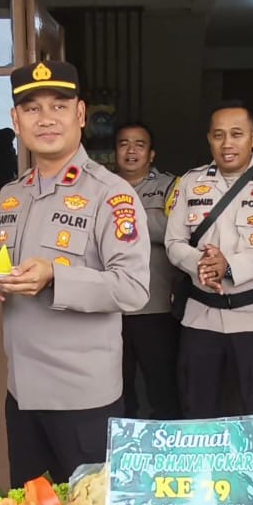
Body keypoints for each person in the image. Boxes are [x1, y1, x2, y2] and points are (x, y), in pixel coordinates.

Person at [0, 60, 150, 485]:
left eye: (59, 105)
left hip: (84, 399)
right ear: (16, 120)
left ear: (80, 114)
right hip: (22, 393)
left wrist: (55, 276)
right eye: (32, 108)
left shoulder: (111, 194)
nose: (46, 118)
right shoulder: (12, 195)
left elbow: (132, 288)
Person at [163, 101, 253, 421]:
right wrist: (203, 263)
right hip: (201, 318)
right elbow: (173, 243)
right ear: (209, 139)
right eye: (219, 135)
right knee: (197, 411)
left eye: (236, 134)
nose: (227, 143)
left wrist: (230, 267)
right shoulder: (189, 182)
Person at [114, 122, 180, 419]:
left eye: (139, 144)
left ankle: (167, 444)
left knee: (162, 388)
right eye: (124, 144)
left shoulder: (170, 186)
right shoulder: (101, 186)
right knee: (117, 389)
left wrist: (123, 220)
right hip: (111, 308)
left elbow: (175, 231)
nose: (131, 151)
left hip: (155, 307)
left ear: (151, 154)